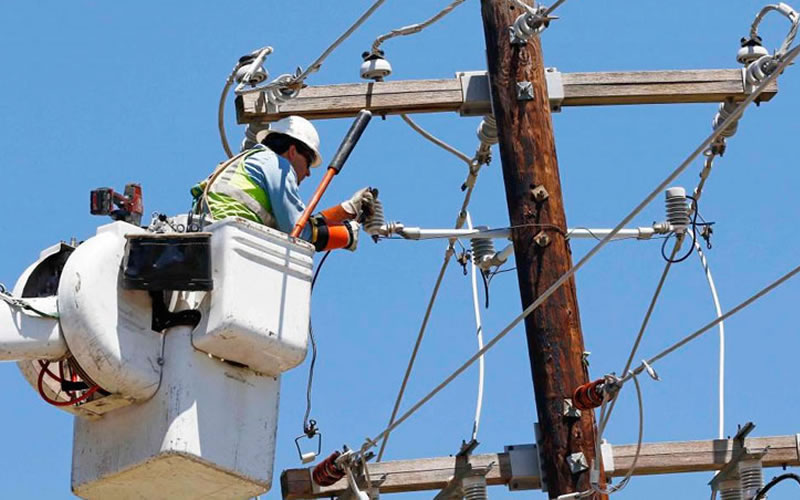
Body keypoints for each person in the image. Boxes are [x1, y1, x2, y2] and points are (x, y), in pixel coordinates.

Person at [192, 115, 373, 251]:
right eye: (308, 162)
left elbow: (301, 222)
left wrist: (346, 211)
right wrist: (346, 236)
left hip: (210, 242)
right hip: (235, 243)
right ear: (293, 151)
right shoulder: (278, 165)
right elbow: (299, 232)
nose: (309, 173)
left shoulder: (251, 160)